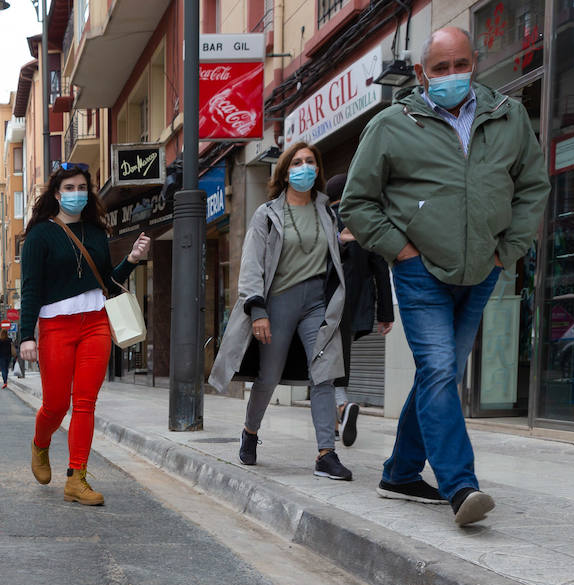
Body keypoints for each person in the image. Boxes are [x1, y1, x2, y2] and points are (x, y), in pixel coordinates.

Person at [342, 26, 549, 526]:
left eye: (460, 64)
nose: (452, 75)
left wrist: (507, 252)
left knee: (443, 373)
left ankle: (400, 472)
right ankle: (461, 486)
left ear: (473, 63)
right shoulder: (392, 124)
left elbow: (532, 188)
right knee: (439, 370)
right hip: (420, 273)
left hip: (482, 270)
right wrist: (403, 251)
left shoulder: (509, 116)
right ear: (421, 74)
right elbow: (357, 202)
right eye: (440, 68)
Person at [208, 141, 351, 481]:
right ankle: (250, 431)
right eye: (297, 163)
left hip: (318, 302)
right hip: (279, 301)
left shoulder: (326, 211)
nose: (304, 168)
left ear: (317, 170)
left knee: (324, 375)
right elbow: (253, 264)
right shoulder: (268, 213)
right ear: (286, 172)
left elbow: (330, 256)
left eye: (310, 162)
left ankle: (325, 454)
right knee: (268, 378)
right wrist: (257, 309)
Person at [19, 161, 150, 506]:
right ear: (57, 194)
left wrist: (133, 259)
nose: (76, 194)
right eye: (69, 188)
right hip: (55, 327)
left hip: (95, 324)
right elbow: (30, 289)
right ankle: (40, 444)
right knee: (56, 404)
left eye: (81, 188)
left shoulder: (96, 232)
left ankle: (76, 478)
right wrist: (26, 336)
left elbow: (105, 282)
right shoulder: (39, 236)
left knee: (86, 402)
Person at [324, 173, 395, 447]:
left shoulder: (324, 219)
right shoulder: (366, 221)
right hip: (357, 306)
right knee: (335, 359)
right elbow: (380, 266)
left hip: (326, 303)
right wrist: (386, 314)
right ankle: (332, 423)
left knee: (322, 363)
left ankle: (341, 409)